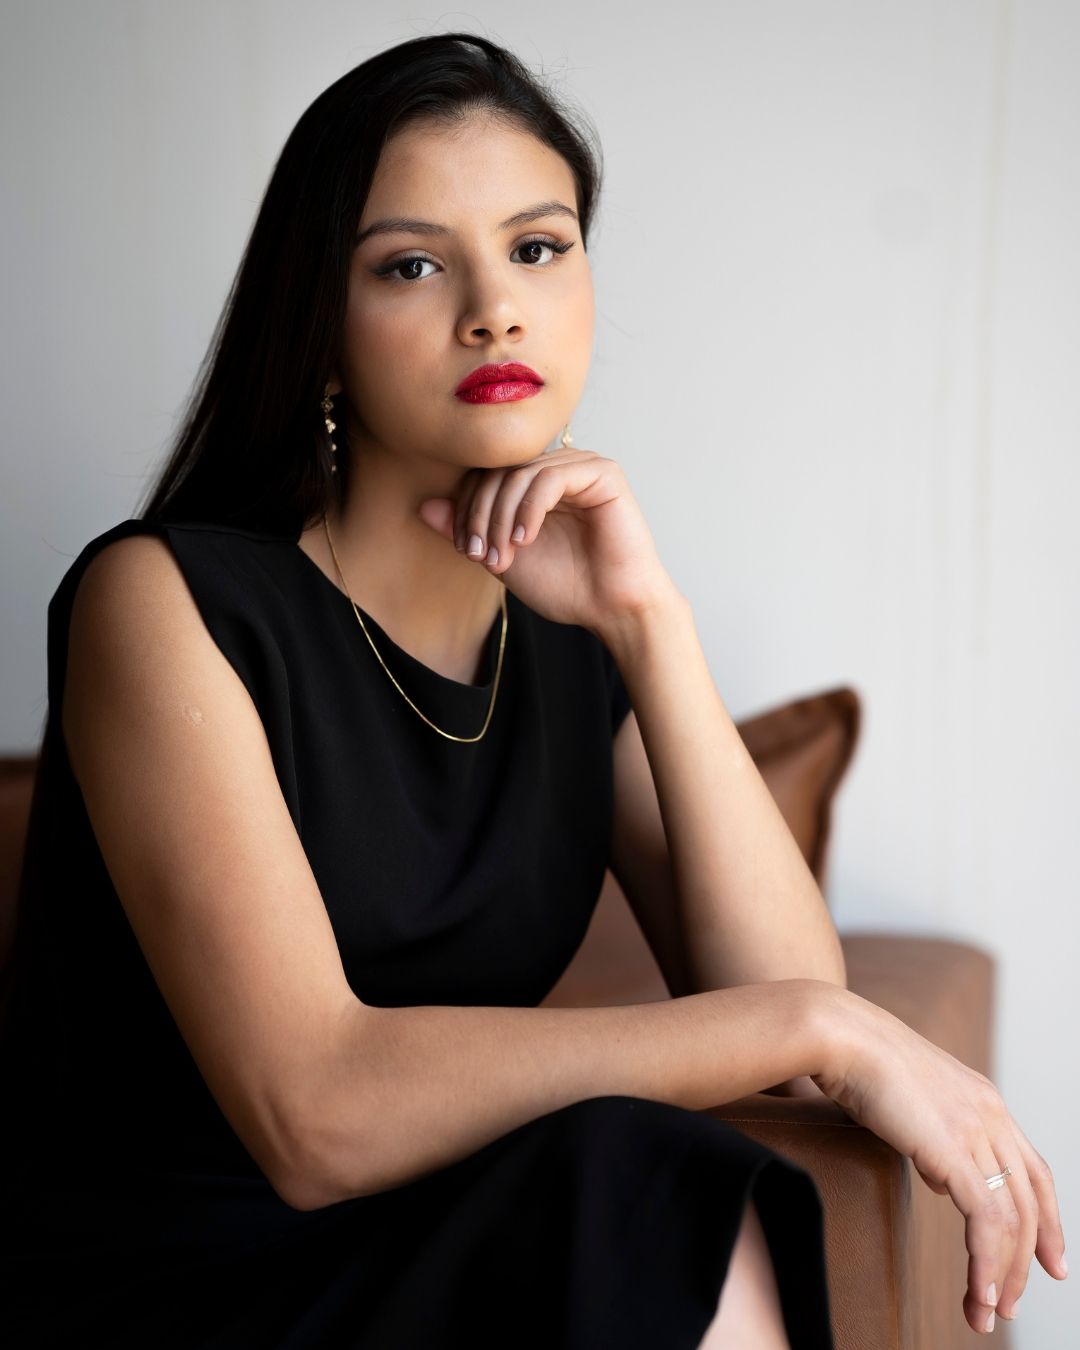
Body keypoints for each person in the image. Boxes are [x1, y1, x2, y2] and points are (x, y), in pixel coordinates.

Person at [0, 30, 1065, 1350]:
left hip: (424, 1238)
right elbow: (316, 1113)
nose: (494, 308)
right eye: (411, 264)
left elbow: (791, 1033)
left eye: (539, 248)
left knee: (651, 1187)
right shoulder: (163, 601)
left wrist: (649, 623)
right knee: (630, 1176)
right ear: (319, 329)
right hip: (169, 1288)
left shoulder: (563, 643)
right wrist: (823, 1025)